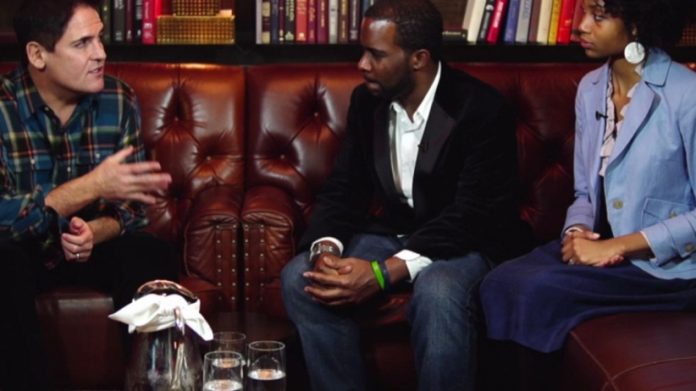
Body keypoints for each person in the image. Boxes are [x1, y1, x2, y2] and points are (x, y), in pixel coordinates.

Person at [280, 1, 533, 389]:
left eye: (376, 54)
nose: (362, 64)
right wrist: (325, 250)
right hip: (396, 234)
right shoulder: (367, 101)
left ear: (419, 58)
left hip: (467, 243)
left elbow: (472, 214)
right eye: (362, 51)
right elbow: (345, 187)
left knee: (439, 289)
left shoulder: (481, 109)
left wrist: (384, 273)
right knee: (302, 277)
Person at [480, 0, 696, 383]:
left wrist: (618, 246)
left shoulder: (687, 93)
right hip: (603, 249)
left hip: (667, 266)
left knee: (538, 291)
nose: (580, 26)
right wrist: (576, 232)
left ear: (636, 24)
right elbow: (583, 191)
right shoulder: (590, 88)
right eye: (583, 12)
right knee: (498, 282)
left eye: (598, 16)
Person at [0, 0, 179, 388]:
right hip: (22, 251)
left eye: (99, 38)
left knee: (152, 253)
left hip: (90, 247)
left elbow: (132, 210)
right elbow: (2, 218)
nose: (101, 53)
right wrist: (93, 186)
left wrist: (94, 231)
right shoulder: (3, 108)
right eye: (83, 43)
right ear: (38, 54)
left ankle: (151, 382)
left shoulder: (118, 99)